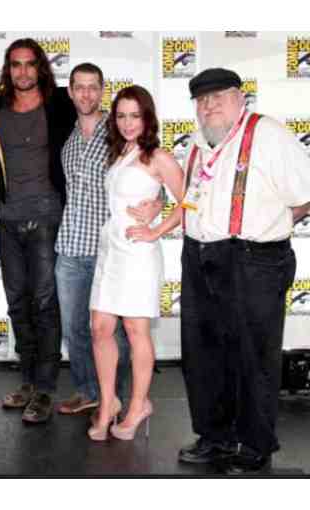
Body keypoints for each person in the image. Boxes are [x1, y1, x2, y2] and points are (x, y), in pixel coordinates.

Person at [177, 68, 310, 474]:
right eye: (202, 100)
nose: (209, 106)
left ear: (240, 98)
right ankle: (214, 436)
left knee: (254, 356)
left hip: (254, 258)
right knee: (203, 353)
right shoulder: (198, 141)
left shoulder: (268, 134)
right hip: (199, 254)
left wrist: (272, 224)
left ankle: (254, 444)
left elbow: (305, 193)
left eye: (218, 97)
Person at [0, 38, 75, 423]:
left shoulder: (60, 102)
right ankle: (29, 381)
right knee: (17, 303)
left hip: (47, 215)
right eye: (16, 64)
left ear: (40, 67)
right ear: (8, 69)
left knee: (45, 303)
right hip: (8, 219)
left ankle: (46, 388)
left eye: (30, 64)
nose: (23, 71)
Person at [55, 63, 160, 416]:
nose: (86, 94)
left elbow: (150, 174)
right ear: (70, 92)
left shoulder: (119, 134)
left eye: (92, 87)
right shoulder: (66, 136)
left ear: (102, 91)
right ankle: (89, 391)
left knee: (118, 333)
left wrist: (157, 203)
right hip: (70, 247)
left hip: (111, 250)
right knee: (75, 330)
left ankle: (125, 396)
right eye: (79, 87)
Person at [88, 85, 184, 441]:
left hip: (139, 254)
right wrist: (156, 204)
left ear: (148, 118)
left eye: (135, 116)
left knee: (134, 329)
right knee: (100, 328)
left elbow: (190, 201)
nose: (128, 123)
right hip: (111, 248)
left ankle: (138, 405)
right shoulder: (119, 153)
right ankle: (108, 403)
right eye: (121, 116)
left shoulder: (158, 157)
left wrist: (156, 229)